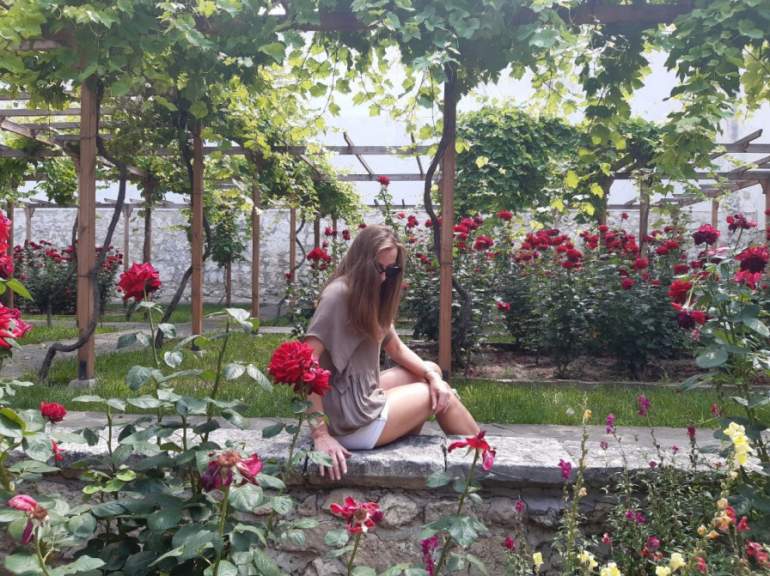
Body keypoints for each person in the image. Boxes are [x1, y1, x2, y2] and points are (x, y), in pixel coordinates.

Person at [303, 224, 480, 480]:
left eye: (392, 270)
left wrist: (433, 377)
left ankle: (400, 429)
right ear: (361, 262)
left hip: (355, 397)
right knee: (442, 397)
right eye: (379, 268)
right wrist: (320, 434)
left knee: (430, 372)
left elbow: (395, 348)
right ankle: (484, 463)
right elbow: (306, 360)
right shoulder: (338, 294)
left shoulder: (369, 293)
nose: (385, 278)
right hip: (350, 420)